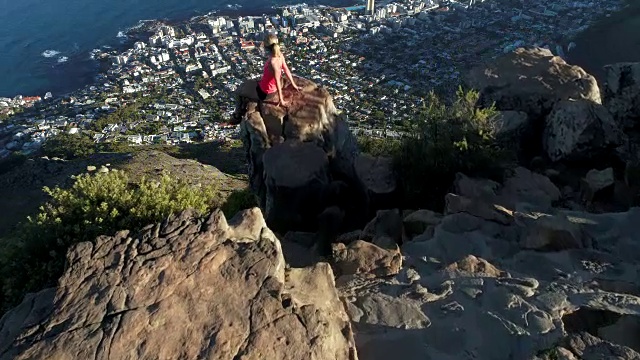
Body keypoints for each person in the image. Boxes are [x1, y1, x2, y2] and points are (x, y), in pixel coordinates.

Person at [230, 33, 299, 124]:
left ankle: (237, 116)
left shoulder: (272, 62)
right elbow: (286, 70)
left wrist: (281, 100)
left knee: (238, 92)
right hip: (270, 85)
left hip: (266, 92)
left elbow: (277, 80)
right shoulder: (280, 56)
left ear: (266, 47)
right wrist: (294, 84)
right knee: (251, 83)